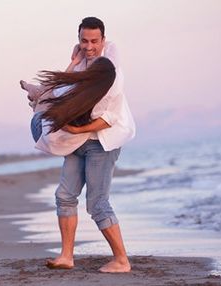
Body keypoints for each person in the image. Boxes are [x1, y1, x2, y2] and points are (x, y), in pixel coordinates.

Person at [20, 17, 135, 273]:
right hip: (77, 142)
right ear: (79, 40)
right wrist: (72, 62)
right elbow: (62, 91)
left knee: (97, 203)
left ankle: (121, 260)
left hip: (100, 143)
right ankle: (66, 256)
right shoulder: (81, 63)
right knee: (64, 196)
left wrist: (77, 128)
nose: (89, 46)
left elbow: (108, 120)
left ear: (103, 41)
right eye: (84, 40)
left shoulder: (111, 75)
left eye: (94, 41)